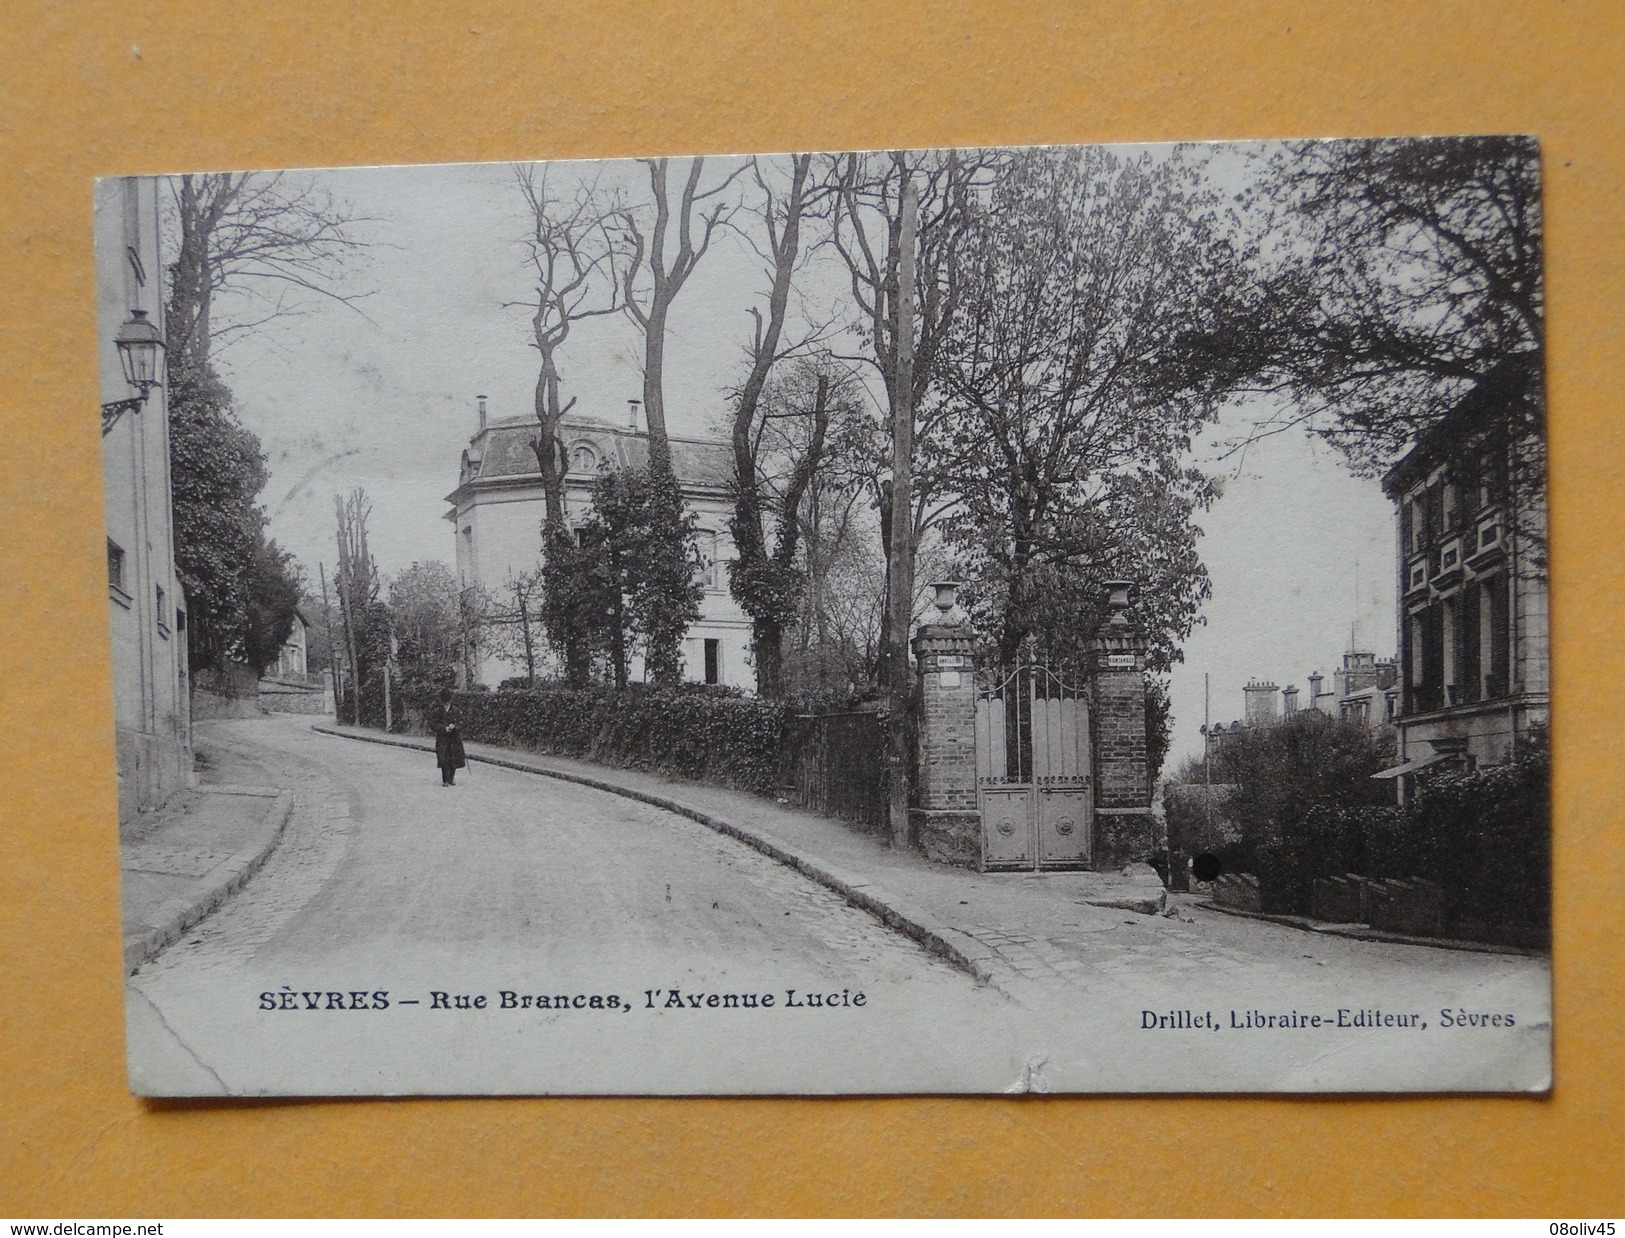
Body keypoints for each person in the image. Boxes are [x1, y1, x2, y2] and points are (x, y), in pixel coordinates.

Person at [427, 687, 467, 787]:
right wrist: (443, 728)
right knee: (443, 758)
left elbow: (461, 722)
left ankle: (451, 778)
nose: (447, 704)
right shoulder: (437, 710)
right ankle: (445, 779)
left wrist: (455, 726)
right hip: (443, 738)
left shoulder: (456, 710)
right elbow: (432, 723)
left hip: (454, 738)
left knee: (453, 758)